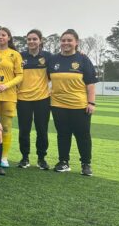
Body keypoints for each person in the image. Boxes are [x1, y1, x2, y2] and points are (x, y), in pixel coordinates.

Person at [49, 29, 97, 176]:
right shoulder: (53, 59)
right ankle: (64, 162)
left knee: (83, 135)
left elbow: (90, 83)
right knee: (63, 134)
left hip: (79, 105)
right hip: (58, 105)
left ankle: (86, 164)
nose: (66, 43)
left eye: (69, 40)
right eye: (63, 40)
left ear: (76, 42)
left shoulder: (83, 59)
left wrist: (91, 103)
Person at [0, 27, 23, 168]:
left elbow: (20, 75)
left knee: (6, 127)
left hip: (9, 96)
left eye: (3, 35)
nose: (1, 37)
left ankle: (4, 157)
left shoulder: (15, 55)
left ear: (9, 38)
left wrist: (6, 86)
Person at [17, 29, 51, 170]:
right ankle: (25, 157)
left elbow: (64, 59)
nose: (31, 41)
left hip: (42, 99)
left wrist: (79, 53)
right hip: (23, 99)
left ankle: (41, 158)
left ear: (40, 41)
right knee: (24, 130)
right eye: (29, 39)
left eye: (34, 39)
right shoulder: (20, 56)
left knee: (42, 130)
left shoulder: (48, 56)